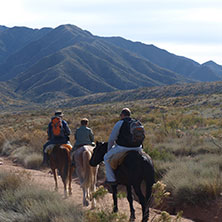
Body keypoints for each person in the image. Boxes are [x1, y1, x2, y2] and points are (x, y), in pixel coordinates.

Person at [104, 108, 144, 185]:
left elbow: (112, 139)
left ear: (122, 115)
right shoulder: (137, 123)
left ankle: (111, 179)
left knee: (106, 157)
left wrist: (109, 150)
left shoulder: (120, 123)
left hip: (123, 148)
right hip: (138, 148)